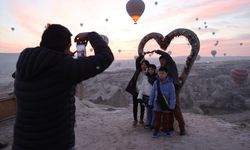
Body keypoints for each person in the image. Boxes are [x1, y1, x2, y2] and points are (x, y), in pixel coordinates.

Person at [12, 24, 114, 150]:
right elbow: (106, 57)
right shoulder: (65, 67)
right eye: (69, 46)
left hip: (22, 142)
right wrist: (91, 34)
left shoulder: (25, 60)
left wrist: (64, 57)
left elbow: (48, 70)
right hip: (55, 143)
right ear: (64, 47)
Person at [155, 50, 186, 135]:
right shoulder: (163, 68)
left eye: (163, 61)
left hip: (173, 89)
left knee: (176, 108)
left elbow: (167, 56)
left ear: (167, 60)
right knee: (168, 108)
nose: (161, 62)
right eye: (160, 61)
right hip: (166, 90)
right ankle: (169, 126)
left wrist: (159, 51)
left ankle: (182, 127)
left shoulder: (171, 65)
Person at [148, 66, 176, 137]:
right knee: (157, 119)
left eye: (163, 73)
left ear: (166, 74)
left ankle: (166, 130)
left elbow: (172, 97)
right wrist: (150, 103)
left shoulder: (170, 84)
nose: (161, 75)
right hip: (157, 104)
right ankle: (156, 131)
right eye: (160, 73)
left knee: (166, 119)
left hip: (166, 105)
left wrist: (172, 106)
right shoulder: (156, 83)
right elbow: (152, 94)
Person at [126, 54, 150, 126]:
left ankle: (141, 119)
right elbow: (137, 60)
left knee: (142, 106)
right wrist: (142, 55)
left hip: (143, 92)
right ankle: (135, 120)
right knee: (135, 106)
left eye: (145, 65)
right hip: (135, 91)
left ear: (147, 66)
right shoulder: (138, 70)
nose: (144, 66)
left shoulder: (148, 73)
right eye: (142, 64)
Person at [137, 64, 157, 129]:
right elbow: (142, 88)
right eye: (149, 69)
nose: (150, 71)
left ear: (154, 70)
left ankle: (153, 124)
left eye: (152, 69)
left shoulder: (157, 78)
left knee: (154, 111)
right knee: (148, 111)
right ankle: (148, 123)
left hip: (154, 97)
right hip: (146, 97)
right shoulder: (145, 77)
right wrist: (139, 97)